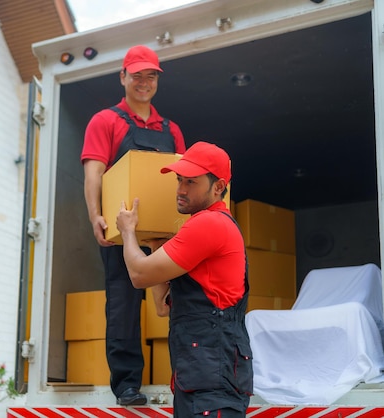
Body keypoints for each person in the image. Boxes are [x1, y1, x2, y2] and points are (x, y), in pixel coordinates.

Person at [115, 141, 253, 417]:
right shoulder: (207, 226)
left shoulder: (209, 224)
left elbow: (139, 275)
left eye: (191, 182)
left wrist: (128, 232)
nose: (180, 189)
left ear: (218, 186)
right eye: (179, 180)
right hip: (201, 379)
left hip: (211, 385)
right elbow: (162, 308)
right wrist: (156, 247)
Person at [81, 45, 186, 406]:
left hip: (163, 233)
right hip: (121, 230)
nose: (144, 82)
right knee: (123, 307)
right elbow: (94, 172)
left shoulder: (171, 129)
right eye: (137, 75)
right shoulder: (105, 121)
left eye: (151, 76)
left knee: (179, 303)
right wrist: (96, 214)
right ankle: (126, 385)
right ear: (123, 77)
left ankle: (187, 377)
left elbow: (183, 180)